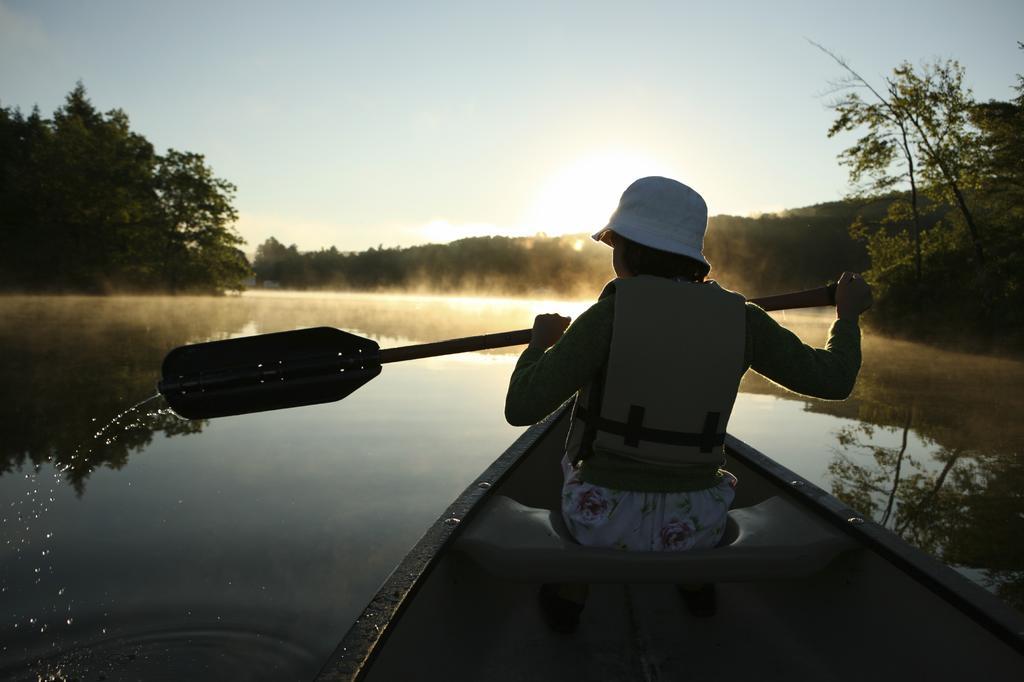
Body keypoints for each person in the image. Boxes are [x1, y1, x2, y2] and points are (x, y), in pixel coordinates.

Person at [503, 176, 872, 631]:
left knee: (571, 465)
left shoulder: (609, 314)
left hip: (600, 519)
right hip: (698, 523)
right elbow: (834, 381)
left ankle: (573, 591)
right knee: (697, 497)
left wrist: (539, 345)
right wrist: (847, 317)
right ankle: (695, 583)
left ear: (625, 250)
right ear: (692, 257)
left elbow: (521, 408)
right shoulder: (743, 319)